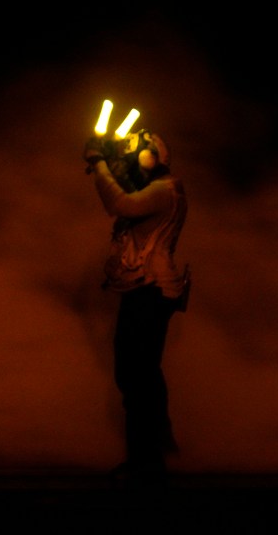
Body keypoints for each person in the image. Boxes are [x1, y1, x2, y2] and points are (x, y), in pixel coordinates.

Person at [83, 129, 189, 487]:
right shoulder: (160, 189)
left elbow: (121, 204)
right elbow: (127, 195)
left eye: (136, 152)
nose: (131, 158)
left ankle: (145, 462)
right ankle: (160, 450)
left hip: (149, 289)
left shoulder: (164, 190)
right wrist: (111, 168)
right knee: (145, 375)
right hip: (148, 289)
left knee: (134, 376)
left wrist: (99, 163)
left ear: (153, 156)